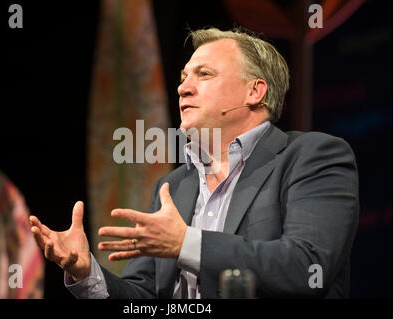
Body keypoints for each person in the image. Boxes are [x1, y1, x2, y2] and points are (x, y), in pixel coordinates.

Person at [29, 27, 359, 298]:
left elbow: (306, 266)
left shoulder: (314, 157)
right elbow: (144, 297)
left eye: (203, 74)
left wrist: (185, 243)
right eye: (184, 76)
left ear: (255, 91)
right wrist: (88, 273)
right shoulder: (173, 186)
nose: (183, 87)